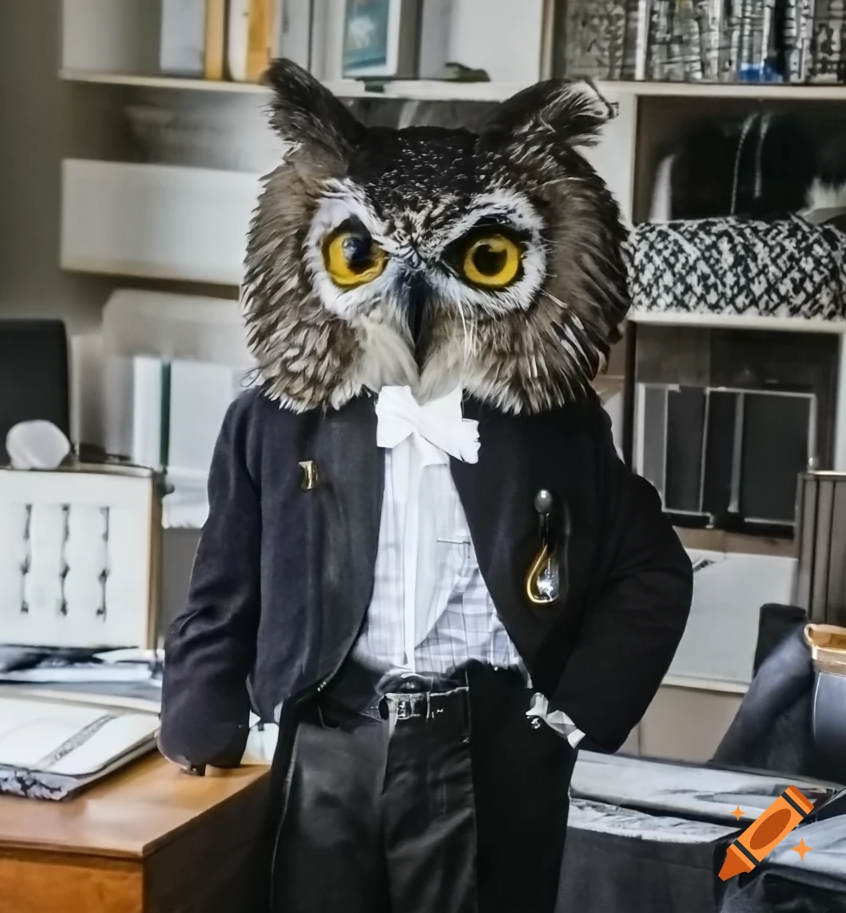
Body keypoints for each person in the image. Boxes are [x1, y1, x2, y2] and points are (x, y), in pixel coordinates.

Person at [160, 59, 693, 912]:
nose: (408, 300)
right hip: (330, 738)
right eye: (358, 252)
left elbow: (652, 573)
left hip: (488, 748)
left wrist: (568, 718)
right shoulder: (274, 420)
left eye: (481, 255)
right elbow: (223, 587)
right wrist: (199, 716)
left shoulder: (554, 425)